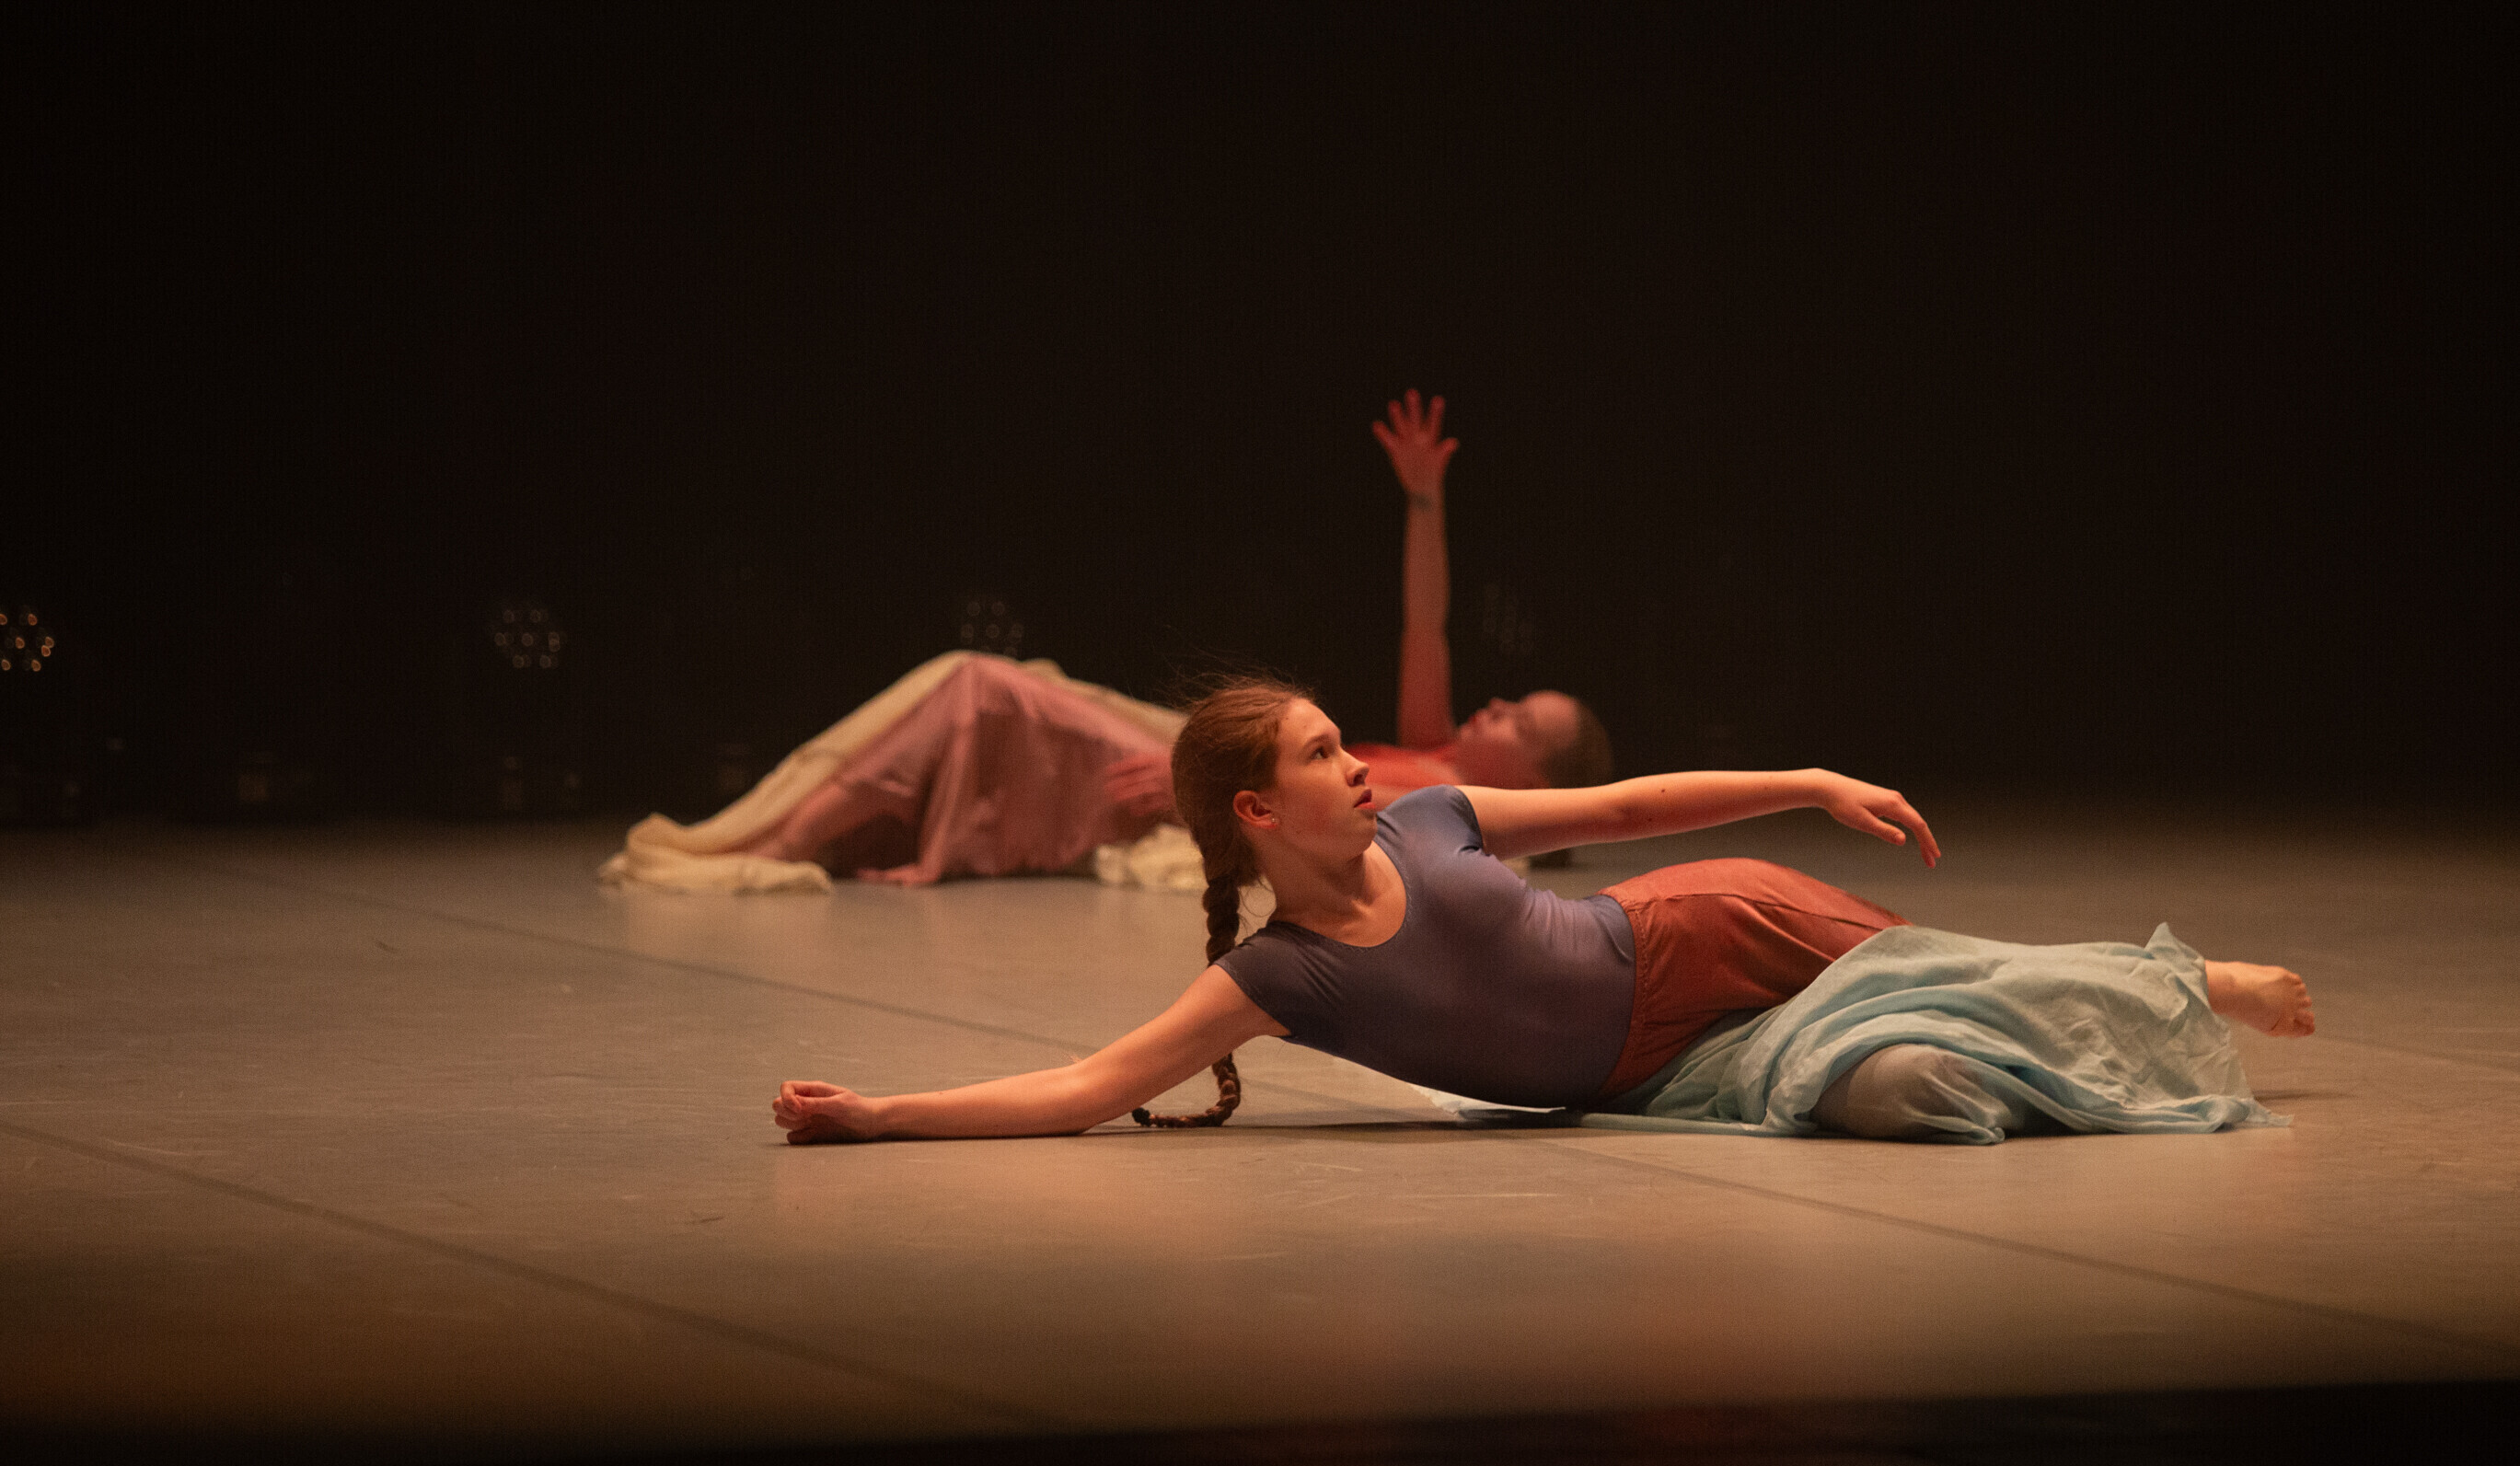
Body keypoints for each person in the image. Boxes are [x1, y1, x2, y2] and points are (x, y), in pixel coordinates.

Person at [771, 679, 2316, 1144]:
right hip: (1667, 1070)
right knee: (1917, 1090)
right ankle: (2094, 1041)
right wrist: (880, 1115)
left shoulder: (1433, 818)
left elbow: (1628, 812)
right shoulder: (1285, 975)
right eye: (1323, 752)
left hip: (1705, 927)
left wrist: (1803, 777)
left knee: (1974, 975)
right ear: (1257, 811)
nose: (1357, 763)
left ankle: (2193, 982)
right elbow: (1089, 1084)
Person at [728, 390, 1611, 883]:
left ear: (1536, 783)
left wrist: (1203, 789)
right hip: (1210, 757)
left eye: (1521, 723)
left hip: (1219, 779)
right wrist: (1424, 497)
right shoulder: (1434, 745)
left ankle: (792, 840)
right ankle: (824, 830)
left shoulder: (1447, 806)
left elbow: (1316, 831)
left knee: (982, 686)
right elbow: (1426, 621)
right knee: (988, 686)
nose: (1497, 705)